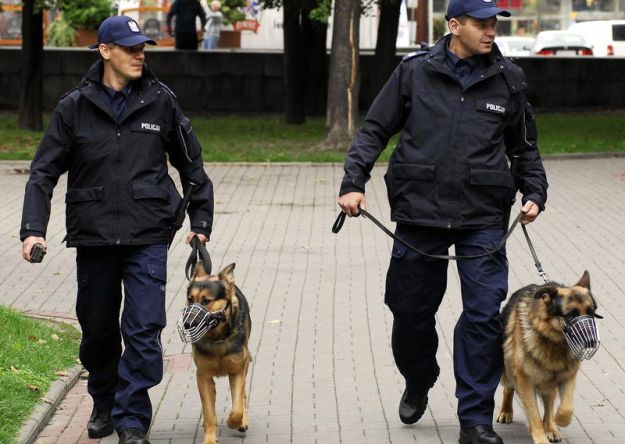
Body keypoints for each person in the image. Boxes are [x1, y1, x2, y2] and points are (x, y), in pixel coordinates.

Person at [336, 0, 548, 442]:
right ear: (455, 25)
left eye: (495, 24)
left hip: (483, 214)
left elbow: (524, 146)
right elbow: (375, 129)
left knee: (482, 315)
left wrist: (534, 192)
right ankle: (419, 377)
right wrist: (353, 182)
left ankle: (474, 419)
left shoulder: (508, 79)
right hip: (420, 210)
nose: (491, 31)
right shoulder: (414, 72)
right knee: (410, 311)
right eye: (482, 24)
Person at [20, 15, 214, 444]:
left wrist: (200, 222)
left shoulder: (162, 101)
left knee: (144, 329)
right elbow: (43, 173)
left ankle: (131, 419)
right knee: (98, 331)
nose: (139, 53)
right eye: (129, 48)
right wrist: (33, 229)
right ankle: (104, 400)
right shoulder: (74, 106)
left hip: (148, 233)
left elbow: (192, 168)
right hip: (94, 235)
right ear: (105, 51)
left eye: (142, 46)